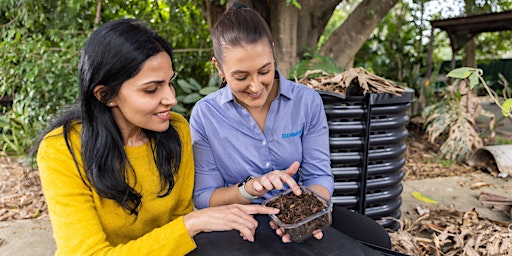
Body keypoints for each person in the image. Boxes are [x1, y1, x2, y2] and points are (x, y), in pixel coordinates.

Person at [30, 18, 279, 256]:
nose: (171, 98)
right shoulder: (62, 150)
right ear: (105, 95)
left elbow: (178, 229)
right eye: (152, 89)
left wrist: (191, 223)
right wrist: (190, 223)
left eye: (170, 83)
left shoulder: (176, 130)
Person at [190, 1, 392, 249]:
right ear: (219, 68)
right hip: (243, 218)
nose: (255, 87)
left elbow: (318, 176)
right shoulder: (206, 114)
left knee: (377, 240)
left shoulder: (306, 102)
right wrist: (250, 188)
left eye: (264, 70)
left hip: (302, 208)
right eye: (241, 77)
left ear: (273, 52)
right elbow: (204, 198)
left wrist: (306, 216)